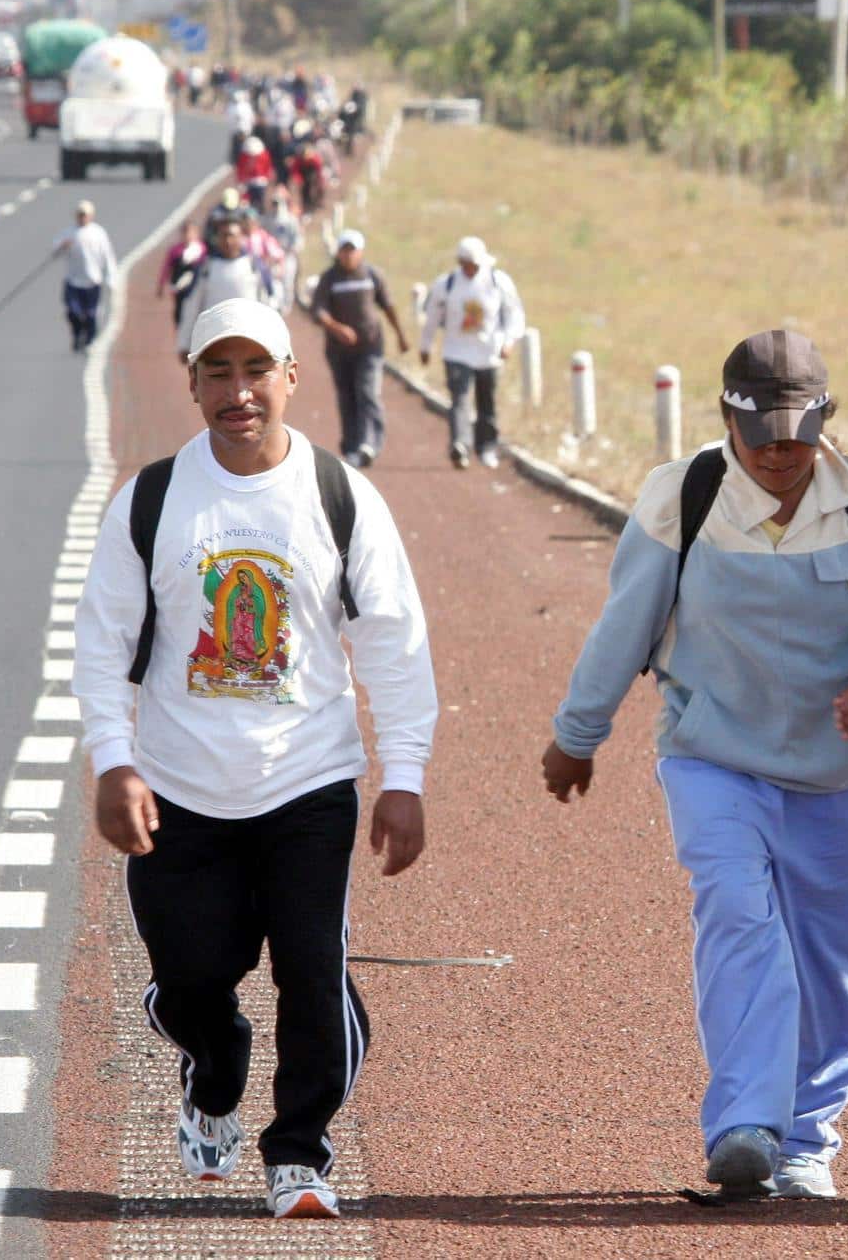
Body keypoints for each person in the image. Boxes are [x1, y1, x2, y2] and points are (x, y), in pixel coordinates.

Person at [542, 330, 848, 1199]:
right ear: (726, 417)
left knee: (843, 960)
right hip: (715, 758)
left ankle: (806, 1139)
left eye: (795, 435)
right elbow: (627, 625)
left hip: (844, 771)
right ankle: (746, 1128)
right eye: (757, 437)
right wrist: (579, 734)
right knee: (740, 921)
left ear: (826, 419)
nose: (777, 455)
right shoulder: (682, 498)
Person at [72, 299, 438, 1221]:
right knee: (190, 980)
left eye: (256, 372)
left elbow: (394, 642)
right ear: (193, 381)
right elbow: (100, 639)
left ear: (290, 378)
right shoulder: (152, 499)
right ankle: (215, 1064)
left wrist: (403, 777)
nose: (240, 393)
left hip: (307, 784)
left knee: (312, 968)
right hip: (180, 790)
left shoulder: (338, 494)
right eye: (219, 373)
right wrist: (115, 761)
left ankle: (299, 1153)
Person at [419, 236, 525, 470]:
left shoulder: (498, 282)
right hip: (456, 353)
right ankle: (460, 445)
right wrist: (425, 346)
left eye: (474, 264)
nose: (470, 268)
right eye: (466, 263)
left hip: (489, 354)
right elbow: (432, 319)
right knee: (460, 400)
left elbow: (514, 315)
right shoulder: (446, 285)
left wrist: (508, 342)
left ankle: (486, 447)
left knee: (486, 403)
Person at [310, 229, 411, 469]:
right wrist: (337, 328)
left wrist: (401, 335)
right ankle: (351, 444)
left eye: (352, 250)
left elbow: (387, 305)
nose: (348, 255)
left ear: (361, 252)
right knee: (347, 396)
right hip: (339, 351)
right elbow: (318, 311)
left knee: (367, 392)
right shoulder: (330, 279)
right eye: (344, 250)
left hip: (370, 347)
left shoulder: (371, 275)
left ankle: (370, 443)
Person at [176, 218, 277, 356]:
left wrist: (274, 340)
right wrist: (184, 343)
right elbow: (192, 305)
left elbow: (268, 303)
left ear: (241, 237)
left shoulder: (254, 265)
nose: (228, 241)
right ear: (217, 238)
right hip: (213, 342)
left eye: (232, 236)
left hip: (249, 340)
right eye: (224, 236)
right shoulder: (206, 267)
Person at [53, 199, 118, 353]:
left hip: (92, 281)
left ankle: (89, 340)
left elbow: (108, 256)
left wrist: (111, 277)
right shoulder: (69, 233)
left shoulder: (98, 233)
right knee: (73, 312)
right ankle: (77, 335)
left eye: (85, 215)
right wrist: (63, 246)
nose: (82, 218)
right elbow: (55, 249)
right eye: (80, 215)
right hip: (73, 281)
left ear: (91, 216)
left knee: (91, 314)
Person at [156, 218, 207, 332]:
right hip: (179, 288)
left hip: (196, 288)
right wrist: (161, 285)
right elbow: (167, 267)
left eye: (191, 232)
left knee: (195, 312)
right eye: (186, 232)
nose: (188, 235)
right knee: (179, 312)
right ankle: (180, 333)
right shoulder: (176, 251)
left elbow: (206, 268)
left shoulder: (202, 249)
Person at [235, 135, 274, 213]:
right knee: (250, 200)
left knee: (260, 200)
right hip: (249, 181)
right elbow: (241, 168)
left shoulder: (263, 155)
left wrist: (267, 176)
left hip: (260, 181)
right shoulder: (244, 156)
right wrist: (241, 180)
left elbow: (267, 166)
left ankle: (261, 212)